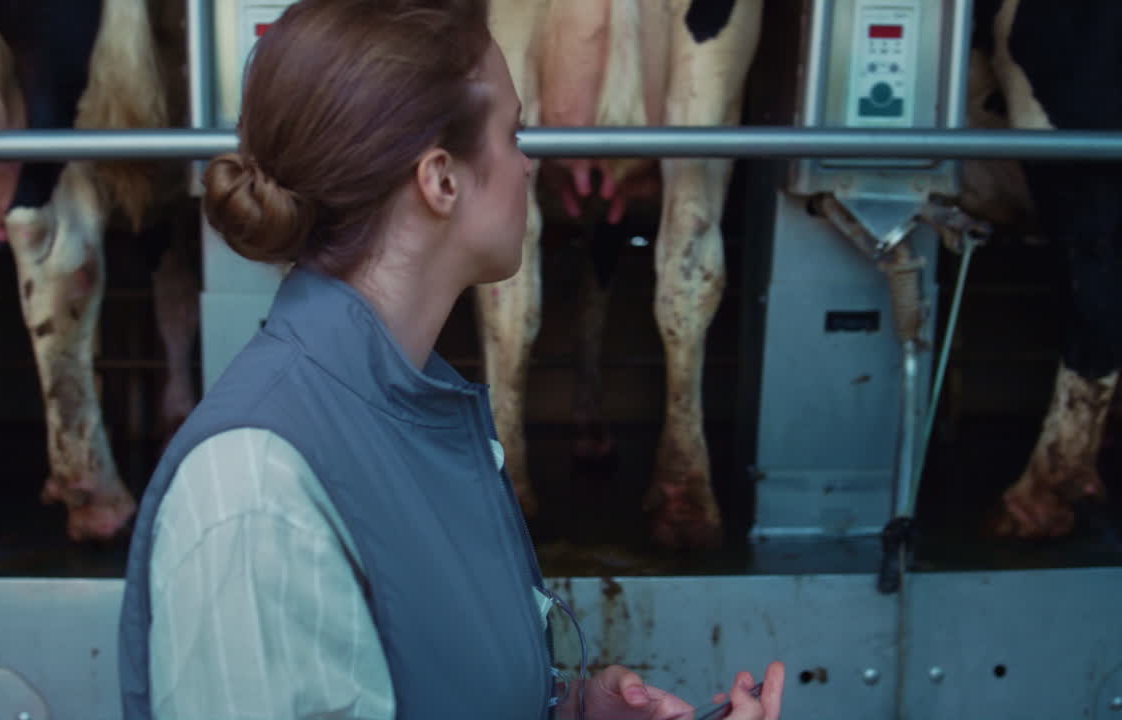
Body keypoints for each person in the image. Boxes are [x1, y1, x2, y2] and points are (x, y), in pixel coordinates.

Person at [116, 0, 786, 718]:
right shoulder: (253, 494)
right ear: (441, 180)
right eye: (513, 133)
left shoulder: (420, 411)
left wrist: (569, 711)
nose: (531, 165)